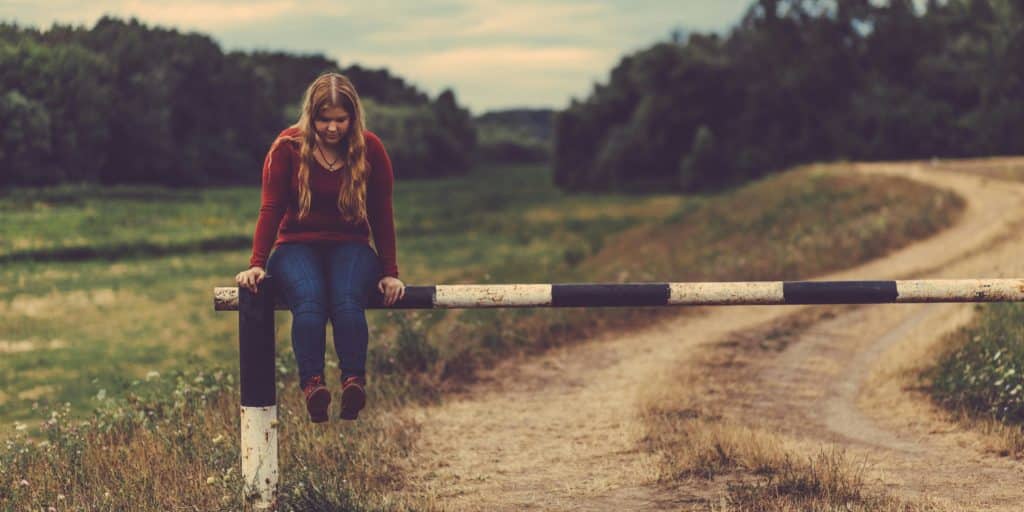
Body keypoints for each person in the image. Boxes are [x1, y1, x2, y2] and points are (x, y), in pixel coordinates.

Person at [235, 72, 405, 423]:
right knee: (309, 303)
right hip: (296, 245)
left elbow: (382, 213)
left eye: (340, 120)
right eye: (324, 120)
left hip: (352, 245)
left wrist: (390, 273)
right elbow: (271, 208)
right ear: (310, 116)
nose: (332, 128)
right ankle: (313, 387)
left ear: (353, 117)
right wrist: (257, 263)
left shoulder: (370, 149)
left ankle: (353, 383)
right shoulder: (287, 147)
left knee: (346, 302)